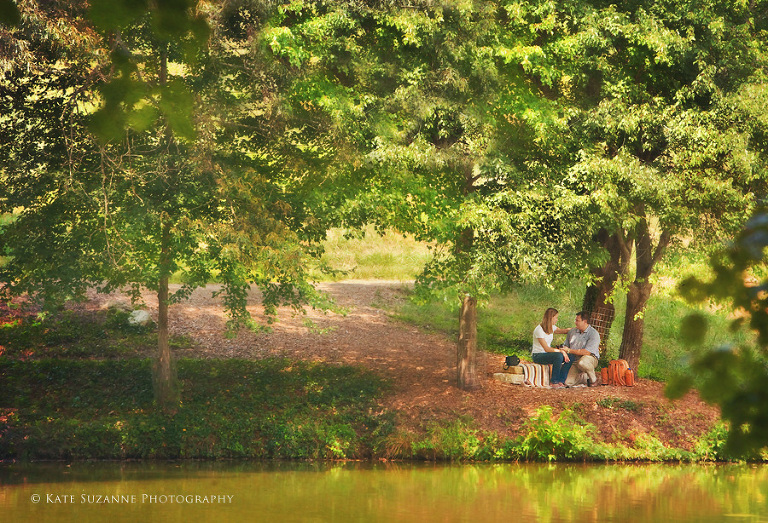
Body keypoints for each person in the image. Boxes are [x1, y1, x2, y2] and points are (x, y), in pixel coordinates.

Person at [531, 308, 571, 389]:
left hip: (547, 354)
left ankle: (561, 380)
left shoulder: (552, 327)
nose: (557, 319)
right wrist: (562, 351)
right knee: (559, 356)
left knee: (570, 356)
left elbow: (563, 331)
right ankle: (554, 381)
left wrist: (576, 329)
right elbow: (546, 349)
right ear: (551, 317)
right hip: (538, 355)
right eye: (556, 317)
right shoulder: (539, 330)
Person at [562, 310, 601, 387]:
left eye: (577, 320)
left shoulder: (593, 333)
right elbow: (565, 346)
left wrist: (569, 350)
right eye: (575, 320)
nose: (575, 322)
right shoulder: (572, 332)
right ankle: (585, 378)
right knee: (568, 383)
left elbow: (587, 352)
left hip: (590, 359)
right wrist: (563, 350)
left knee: (582, 363)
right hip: (575, 360)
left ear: (585, 321)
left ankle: (594, 380)